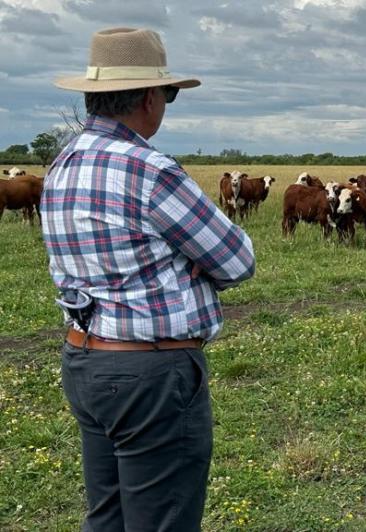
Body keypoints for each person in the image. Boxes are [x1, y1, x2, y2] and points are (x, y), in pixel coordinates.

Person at [41, 28, 256, 531]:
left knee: (108, 515)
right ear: (147, 98)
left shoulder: (61, 166)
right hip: (151, 373)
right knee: (164, 519)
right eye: (168, 93)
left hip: (84, 359)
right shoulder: (148, 170)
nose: (165, 104)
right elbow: (237, 259)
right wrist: (185, 264)